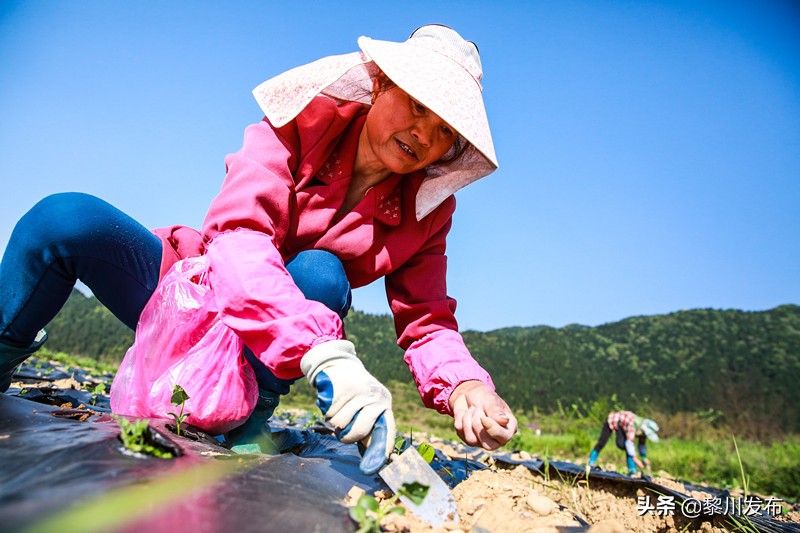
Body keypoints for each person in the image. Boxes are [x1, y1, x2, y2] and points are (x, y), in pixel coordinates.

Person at [0, 24, 518, 474]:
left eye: (444, 131)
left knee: (319, 273)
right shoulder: (300, 120)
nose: (423, 134)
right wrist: (320, 350)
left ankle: (243, 419)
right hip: (197, 291)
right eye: (417, 106)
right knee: (63, 218)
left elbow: (426, 319)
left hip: (266, 353)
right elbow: (239, 237)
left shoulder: (427, 212)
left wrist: (465, 386)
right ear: (381, 81)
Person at [588, 410, 659, 478]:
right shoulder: (633, 426)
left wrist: (644, 457)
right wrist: (636, 460)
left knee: (628, 449)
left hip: (622, 425)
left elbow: (642, 444)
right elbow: (629, 444)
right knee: (602, 443)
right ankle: (590, 463)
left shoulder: (642, 431)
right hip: (613, 420)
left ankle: (632, 471)